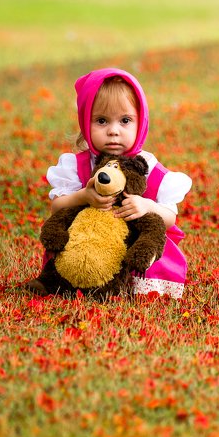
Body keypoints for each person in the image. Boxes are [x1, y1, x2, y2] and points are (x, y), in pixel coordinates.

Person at [27, 67, 192, 299]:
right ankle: (66, 281)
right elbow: (57, 208)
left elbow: (169, 219)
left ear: (141, 122)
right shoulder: (77, 165)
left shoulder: (148, 167)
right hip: (86, 245)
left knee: (143, 261)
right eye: (102, 121)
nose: (113, 131)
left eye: (125, 120)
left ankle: (131, 284)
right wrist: (83, 196)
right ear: (86, 123)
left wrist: (146, 206)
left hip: (129, 246)